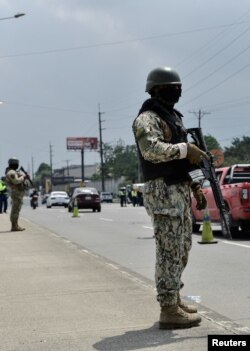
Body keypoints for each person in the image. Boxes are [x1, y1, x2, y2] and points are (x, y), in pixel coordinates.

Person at [132, 67, 208, 329]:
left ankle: (174, 297)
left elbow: (185, 160)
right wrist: (186, 149)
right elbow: (151, 150)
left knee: (182, 249)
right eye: (171, 87)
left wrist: (196, 186)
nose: (177, 91)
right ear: (155, 90)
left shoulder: (173, 118)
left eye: (178, 86)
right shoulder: (148, 119)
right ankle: (168, 309)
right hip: (163, 192)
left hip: (179, 191)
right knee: (168, 252)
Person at [5, 158, 29, 231]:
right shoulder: (11, 172)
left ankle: (15, 225)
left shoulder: (13, 172)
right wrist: (23, 177)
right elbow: (16, 181)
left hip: (17, 193)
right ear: (15, 164)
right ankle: (14, 226)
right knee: (15, 210)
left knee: (16, 209)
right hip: (16, 193)